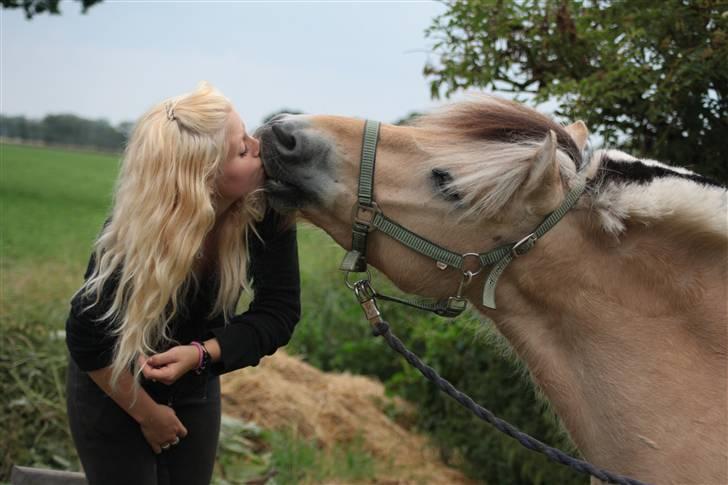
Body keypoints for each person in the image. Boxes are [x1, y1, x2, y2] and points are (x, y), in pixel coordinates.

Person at [64, 82, 301, 485]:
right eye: (242, 149)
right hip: (114, 384)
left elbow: (279, 314)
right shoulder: (136, 236)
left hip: (196, 380)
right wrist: (148, 414)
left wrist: (202, 354)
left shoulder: (267, 213)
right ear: (203, 178)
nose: (258, 145)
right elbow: (87, 337)